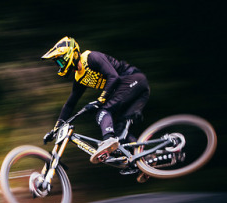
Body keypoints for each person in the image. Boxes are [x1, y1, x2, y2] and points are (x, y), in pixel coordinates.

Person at [41, 36, 150, 167]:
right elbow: (70, 104)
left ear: (71, 54)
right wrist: (55, 129)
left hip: (133, 80)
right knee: (120, 132)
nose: (59, 65)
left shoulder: (91, 58)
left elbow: (113, 77)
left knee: (103, 112)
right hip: (130, 90)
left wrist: (101, 99)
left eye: (60, 62)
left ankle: (108, 140)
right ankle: (145, 161)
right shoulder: (79, 77)